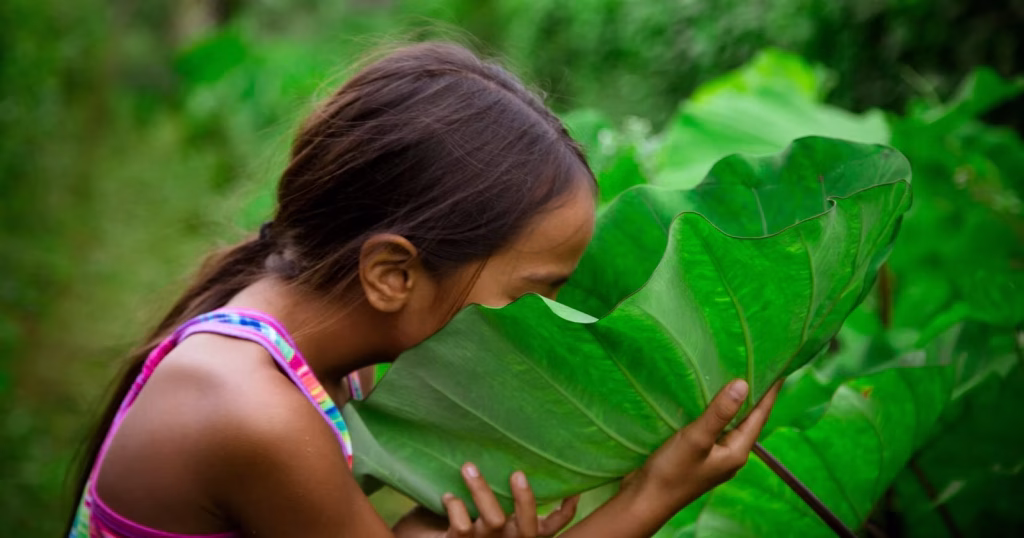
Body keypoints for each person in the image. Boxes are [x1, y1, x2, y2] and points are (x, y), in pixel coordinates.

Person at [67, 42, 780, 538]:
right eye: (534, 289)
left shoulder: (312, 348)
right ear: (392, 275)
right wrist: (659, 491)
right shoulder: (258, 414)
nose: (545, 317)